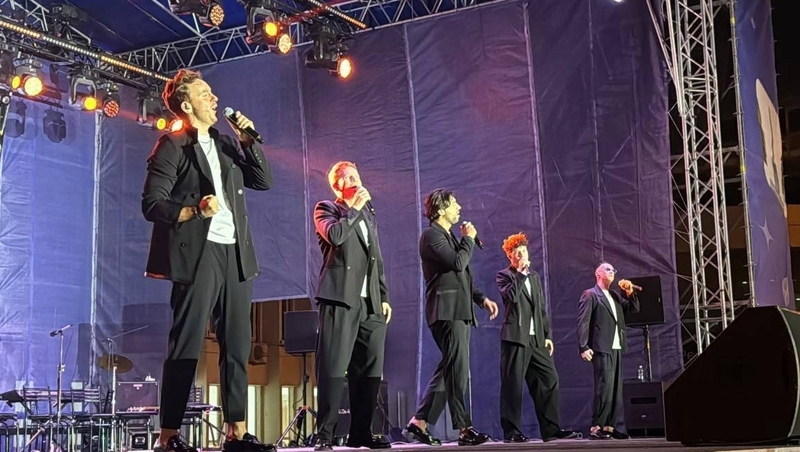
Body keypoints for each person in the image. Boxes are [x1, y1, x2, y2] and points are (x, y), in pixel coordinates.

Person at [142, 69, 274, 452]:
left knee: (237, 343)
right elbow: (152, 203)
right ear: (186, 105)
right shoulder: (173, 145)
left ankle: (236, 432)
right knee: (186, 342)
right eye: (204, 94)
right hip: (198, 254)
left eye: (212, 92)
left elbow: (262, 180)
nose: (214, 98)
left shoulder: (225, 143)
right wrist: (195, 210)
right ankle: (168, 435)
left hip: (235, 252)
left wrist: (247, 140)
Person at [405, 189, 499, 447]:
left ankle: (420, 421)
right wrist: (468, 239)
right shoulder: (431, 236)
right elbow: (457, 263)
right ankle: (464, 429)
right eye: (454, 203)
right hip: (446, 310)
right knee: (456, 370)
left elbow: (462, 276)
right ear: (440, 209)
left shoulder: (448, 237)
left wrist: (481, 299)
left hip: (459, 310)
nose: (459, 207)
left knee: (452, 368)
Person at [312, 161, 392, 451]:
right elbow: (335, 236)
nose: (356, 180)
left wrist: (383, 296)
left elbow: (376, 259)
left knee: (369, 367)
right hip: (340, 297)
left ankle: (362, 432)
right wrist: (354, 209)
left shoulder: (368, 215)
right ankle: (325, 434)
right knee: (333, 365)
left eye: (357, 175)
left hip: (370, 302)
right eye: (348, 177)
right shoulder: (327, 209)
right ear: (337, 186)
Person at [496, 233, 581, 443]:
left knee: (549, 379)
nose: (521, 255)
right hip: (516, 338)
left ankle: (551, 430)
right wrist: (520, 274)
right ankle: (511, 432)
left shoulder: (533, 276)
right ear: (510, 256)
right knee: (513, 385)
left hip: (536, 339)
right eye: (517, 253)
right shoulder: (505, 275)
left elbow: (540, 308)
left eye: (524, 251)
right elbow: (511, 297)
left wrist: (547, 335)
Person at [577, 262, 640, 440]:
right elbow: (583, 322)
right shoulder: (591, 294)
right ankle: (596, 427)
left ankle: (609, 426)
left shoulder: (614, 295)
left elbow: (633, 309)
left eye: (613, 270)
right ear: (597, 274)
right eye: (607, 269)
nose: (611, 271)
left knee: (615, 389)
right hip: (601, 346)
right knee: (603, 387)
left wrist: (630, 293)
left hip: (616, 346)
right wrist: (584, 346)